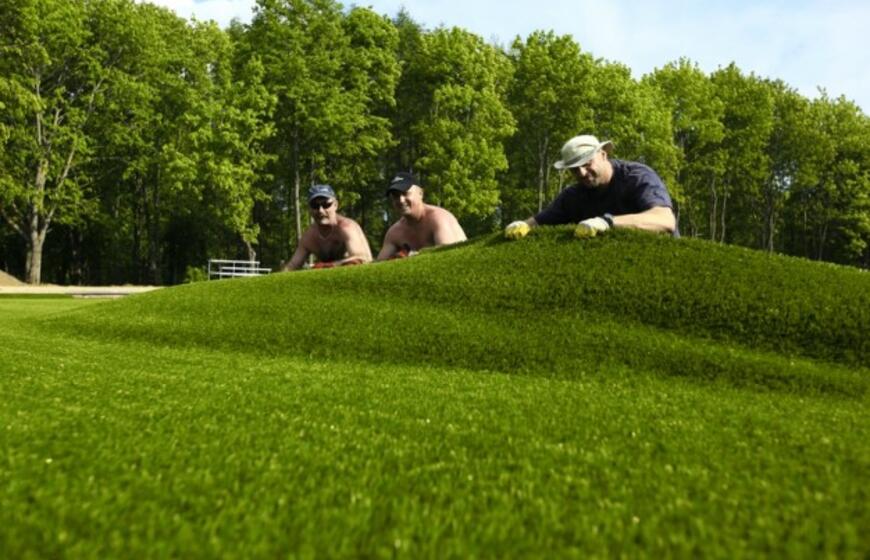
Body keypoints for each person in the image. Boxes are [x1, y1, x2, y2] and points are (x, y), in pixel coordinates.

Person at [504, 135, 677, 240]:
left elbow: (665, 220)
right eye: (574, 169)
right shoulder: (573, 196)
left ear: (603, 155)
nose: (582, 173)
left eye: (587, 164)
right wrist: (522, 225)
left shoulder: (636, 177)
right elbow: (540, 221)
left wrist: (608, 222)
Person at [377, 172, 467, 260]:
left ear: (420, 193)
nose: (401, 200)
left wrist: (410, 256)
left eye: (405, 193)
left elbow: (449, 257)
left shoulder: (439, 219)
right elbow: (378, 266)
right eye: (395, 196)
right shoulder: (394, 233)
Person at [282, 184, 373, 270]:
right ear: (309, 209)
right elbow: (292, 265)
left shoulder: (347, 228)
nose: (320, 210)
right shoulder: (309, 236)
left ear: (335, 205)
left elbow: (363, 259)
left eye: (326, 204)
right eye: (315, 206)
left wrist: (329, 266)